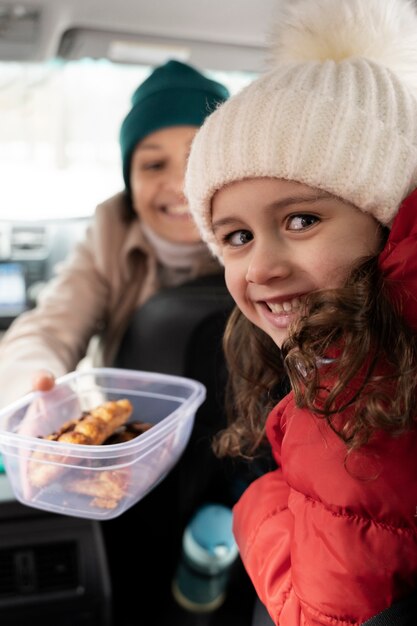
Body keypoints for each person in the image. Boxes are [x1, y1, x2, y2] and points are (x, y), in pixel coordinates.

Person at [185, 0, 417, 624]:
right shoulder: (352, 344)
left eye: (301, 220)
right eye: (236, 237)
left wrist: (255, 506)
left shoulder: (366, 379)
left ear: (387, 216)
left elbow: (317, 609)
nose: (260, 267)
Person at [0, 59, 229, 408]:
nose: (180, 185)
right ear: (130, 184)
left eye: (197, 159)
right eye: (154, 165)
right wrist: (36, 395)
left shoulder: (265, 239)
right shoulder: (111, 236)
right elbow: (48, 330)